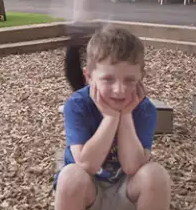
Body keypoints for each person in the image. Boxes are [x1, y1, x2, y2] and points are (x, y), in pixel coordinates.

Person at [55, 26, 171, 210]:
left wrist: (125, 115)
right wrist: (110, 117)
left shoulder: (144, 109)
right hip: (87, 192)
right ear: (89, 76)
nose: (119, 90)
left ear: (141, 78)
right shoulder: (78, 105)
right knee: (70, 177)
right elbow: (87, 164)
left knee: (156, 175)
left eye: (130, 80)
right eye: (108, 79)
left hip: (128, 192)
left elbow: (132, 166)